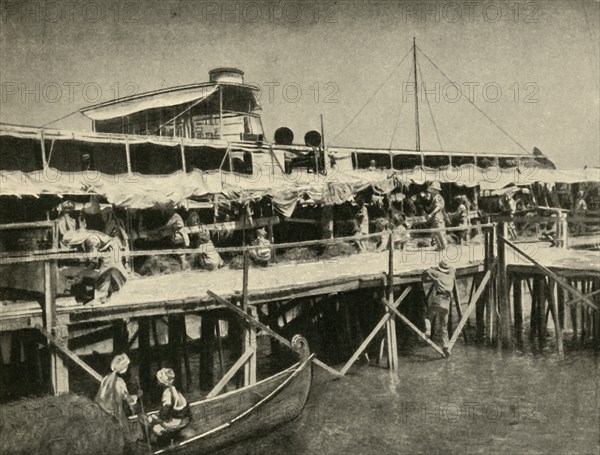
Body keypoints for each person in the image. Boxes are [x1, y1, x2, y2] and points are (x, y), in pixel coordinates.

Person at [96, 354, 140, 437]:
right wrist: (138, 395)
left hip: (102, 410)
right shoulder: (120, 382)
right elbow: (129, 400)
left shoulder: (106, 377)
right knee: (123, 432)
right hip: (113, 413)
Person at [422, 260, 455, 357]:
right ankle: (446, 347)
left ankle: (428, 331)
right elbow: (452, 268)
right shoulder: (451, 274)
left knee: (427, 316)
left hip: (439, 299)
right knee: (444, 326)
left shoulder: (438, 274)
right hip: (447, 303)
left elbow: (427, 271)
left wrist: (433, 270)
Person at [147, 368, 191, 441]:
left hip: (176, 422)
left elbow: (165, 414)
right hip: (185, 419)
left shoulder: (167, 393)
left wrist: (157, 420)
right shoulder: (174, 389)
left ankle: (164, 441)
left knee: (151, 422)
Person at [424, 183, 447, 250]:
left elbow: (438, 207)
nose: (431, 191)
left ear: (436, 190)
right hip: (435, 218)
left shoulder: (438, 197)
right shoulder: (434, 198)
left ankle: (443, 246)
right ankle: (439, 246)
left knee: (439, 232)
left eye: (433, 189)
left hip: (437, 217)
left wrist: (431, 214)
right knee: (435, 233)